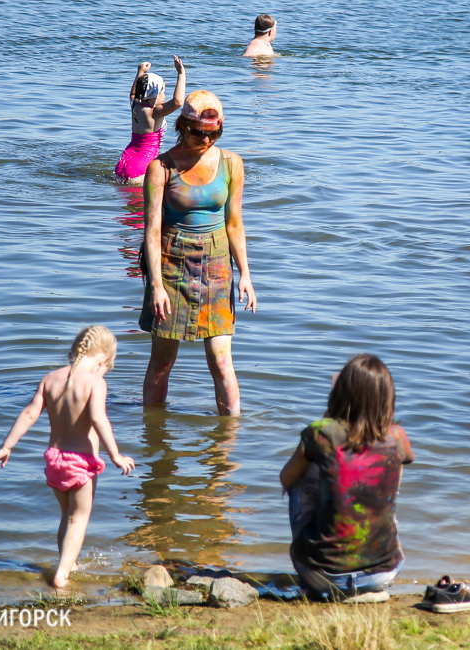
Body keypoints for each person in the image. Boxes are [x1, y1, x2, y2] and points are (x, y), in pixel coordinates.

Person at [140, 90, 257, 416]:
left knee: (221, 362)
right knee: (163, 361)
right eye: (198, 133)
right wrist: (156, 286)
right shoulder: (161, 168)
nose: (206, 140)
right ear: (182, 125)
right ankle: (153, 436)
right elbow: (151, 231)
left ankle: (229, 445)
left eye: (213, 133)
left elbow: (234, 224)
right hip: (170, 265)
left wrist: (245, 274)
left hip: (217, 267)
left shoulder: (232, 164)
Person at [0, 325, 135, 588]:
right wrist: (115, 454)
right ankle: (62, 575)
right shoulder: (95, 382)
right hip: (81, 463)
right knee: (78, 519)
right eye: (106, 368)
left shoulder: (50, 379)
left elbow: (29, 414)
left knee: (66, 515)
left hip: (54, 459)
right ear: (102, 360)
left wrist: (7, 446)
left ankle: (68, 562)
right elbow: (99, 419)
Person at [280, 354, 415, 601]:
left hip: (320, 575)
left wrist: (329, 418)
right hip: (384, 573)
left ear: (339, 393)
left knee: (300, 479)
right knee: (383, 486)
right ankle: (367, 580)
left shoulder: (320, 433)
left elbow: (285, 478)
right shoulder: (398, 438)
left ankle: (315, 584)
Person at [115, 57, 187, 185]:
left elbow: (133, 93)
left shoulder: (135, 105)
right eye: (163, 91)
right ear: (155, 95)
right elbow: (178, 102)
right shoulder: (155, 112)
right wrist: (181, 73)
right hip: (142, 165)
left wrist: (140, 72)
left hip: (124, 161)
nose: (164, 96)